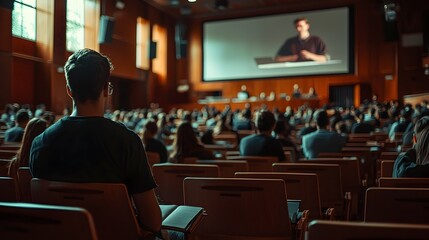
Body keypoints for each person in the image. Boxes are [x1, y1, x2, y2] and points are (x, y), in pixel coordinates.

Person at [29, 49, 162, 237]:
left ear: (69, 90)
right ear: (107, 89)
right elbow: (153, 222)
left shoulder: (40, 143)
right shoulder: (127, 141)